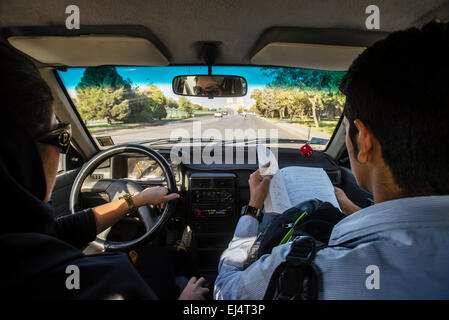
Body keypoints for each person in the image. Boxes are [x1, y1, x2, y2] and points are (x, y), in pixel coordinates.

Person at [214, 20, 449, 300]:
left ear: (363, 140)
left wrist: (253, 209)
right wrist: (350, 208)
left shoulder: (301, 268)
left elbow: (225, 289)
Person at [0, 44, 209, 300]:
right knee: (166, 261)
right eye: (60, 136)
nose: (63, 151)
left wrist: (137, 199)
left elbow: (61, 231)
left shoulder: (22, 239)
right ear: (22, 155)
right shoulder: (107, 283)